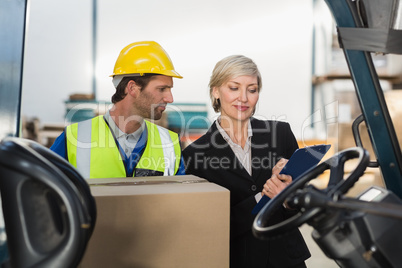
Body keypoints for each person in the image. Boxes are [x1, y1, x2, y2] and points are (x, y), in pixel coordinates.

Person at [182, 55, 310, 268]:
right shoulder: (195, 156)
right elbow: (211, 226)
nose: (243, 98)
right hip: (238, 260)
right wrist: (264, 196)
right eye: (234, 88)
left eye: (252, 90)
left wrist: (287, 198)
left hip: (286, 259)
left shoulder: (280, 134)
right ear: (215, 91)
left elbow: (298, 204)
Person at [51, 41, 185, 179]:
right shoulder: (74, 138)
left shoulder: (169, 144)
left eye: (169, 89)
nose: (170, 98)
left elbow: (180, 199)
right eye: (162, 89)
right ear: (132, 88)